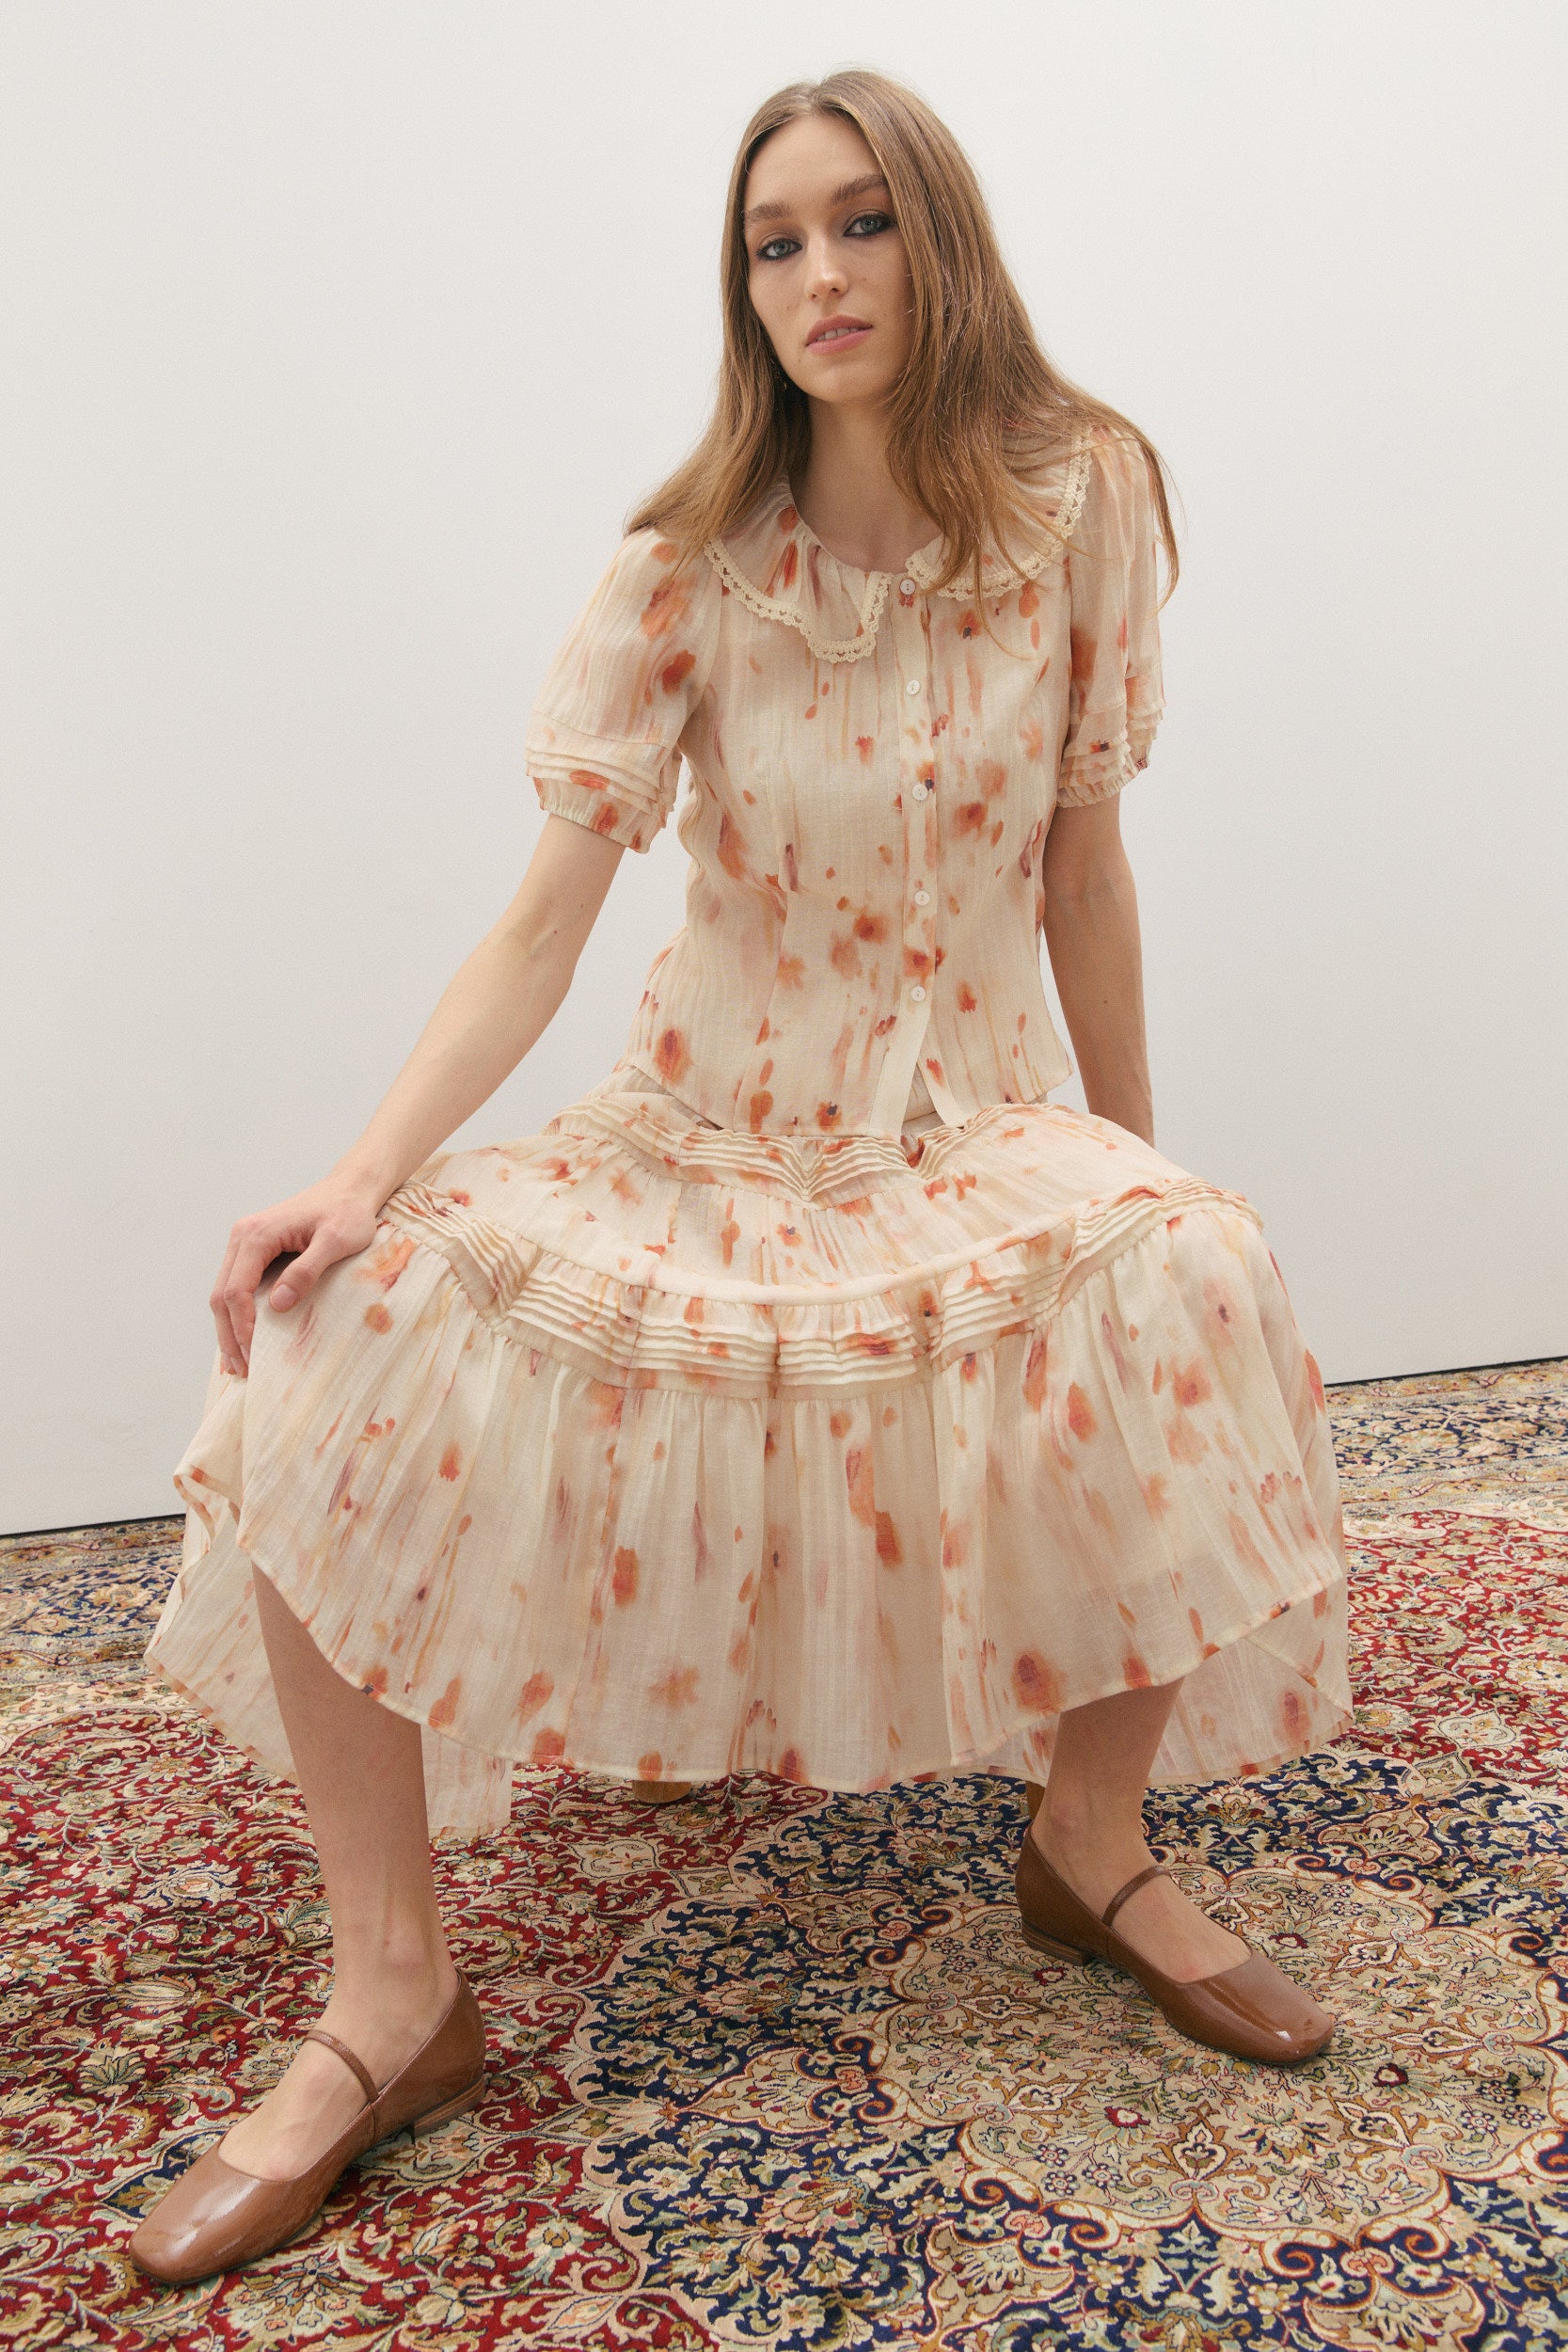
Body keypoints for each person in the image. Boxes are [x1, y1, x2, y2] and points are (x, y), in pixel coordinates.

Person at [129, 69, 1350, 2287]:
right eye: (773, 240)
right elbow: (544, 917)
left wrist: (1125, 1162)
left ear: (939, 243)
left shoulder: (1085, 500)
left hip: (962, 1112)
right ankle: (393, 1999)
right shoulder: (684, 563)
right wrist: (361, 1172)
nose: (815, 276)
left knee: (1201, 1274)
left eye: (859, 223)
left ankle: (1087, 1844)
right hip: (701, 1121)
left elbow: (1087, 857)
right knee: (332, 1332)